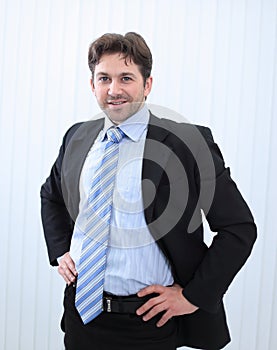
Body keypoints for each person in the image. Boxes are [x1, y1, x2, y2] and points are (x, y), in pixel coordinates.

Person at [40, 32, 257, 350]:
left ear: (147, 84)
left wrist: (193, 296)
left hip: (148, 323)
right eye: (104, 78)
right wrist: (60, 249)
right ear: (93, 85)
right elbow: (51, 195)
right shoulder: (77, 137)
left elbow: (238, 228)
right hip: (81, 316)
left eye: (126, 78)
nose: (114, 90)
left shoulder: (187, 144)